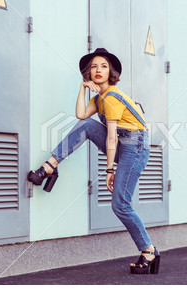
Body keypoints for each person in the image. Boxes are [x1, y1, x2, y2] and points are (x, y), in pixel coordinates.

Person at [28, 48, 160, 274]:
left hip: (135, 147)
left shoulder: (110, 99)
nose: (98, 70)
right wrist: (82, 87)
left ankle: (149, 251)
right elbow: (81, 115)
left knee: (120, 204)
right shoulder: (100, 98)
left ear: (111, 72)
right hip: (126, 144)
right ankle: (50, 166)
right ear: (88, 72)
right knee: (87, 125)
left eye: (104, 66)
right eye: (94, 67)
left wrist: (110, 169)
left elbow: (111, 138)